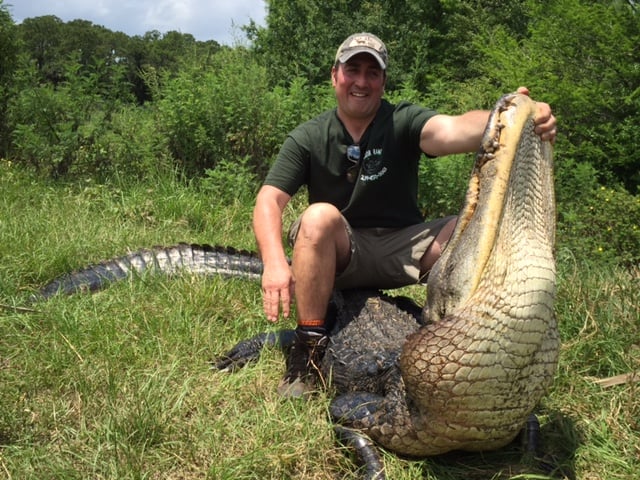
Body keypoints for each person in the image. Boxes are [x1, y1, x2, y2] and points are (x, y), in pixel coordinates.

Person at [252, 33, 557, 398]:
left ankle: (467, 345)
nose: (361, 81)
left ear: (383, 81)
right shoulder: (308, 136)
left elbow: (453, 129)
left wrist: (511, 115)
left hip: (403, 247)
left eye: (372, 73)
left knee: (473, 227)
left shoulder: (402, 120)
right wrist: (273, 263)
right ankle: (308, 356)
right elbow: (269, 200)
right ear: (334, 75)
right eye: (353, 70)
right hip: (342, 252)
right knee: (317, 217)